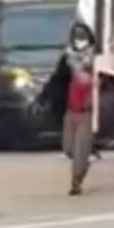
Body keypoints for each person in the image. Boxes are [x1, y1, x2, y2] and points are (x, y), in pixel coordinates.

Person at [40, 22, 98, 196]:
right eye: (77, 37)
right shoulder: (67, 59)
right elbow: (56, 80)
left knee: (80, 150)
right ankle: (84, 163)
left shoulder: (97, 59)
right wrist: (43, 98)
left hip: (87, 112)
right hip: (70, 110)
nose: (80, 41)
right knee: (69, 149)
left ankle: (76, 183)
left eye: (83, 37)